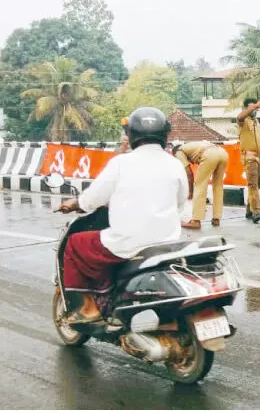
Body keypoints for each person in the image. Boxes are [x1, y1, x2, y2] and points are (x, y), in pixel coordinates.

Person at [57, 107, 188, 323]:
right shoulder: (175, 164)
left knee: (75, 244)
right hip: (167, 242)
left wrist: (75, 203)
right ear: (164, 134)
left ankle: (88, 308)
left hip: (128, 243)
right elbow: (180, 202)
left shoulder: (121, 163)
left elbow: (92, 199)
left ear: (132, 135)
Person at [173, 141, 229, 230]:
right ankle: (216, 218)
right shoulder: (191, 146)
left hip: (209, 154)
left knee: (200, 185)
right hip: (223, 153)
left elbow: (189, 173)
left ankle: (196, 221)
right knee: (218, 186)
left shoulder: (179, 152)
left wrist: (190, 191)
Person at [237, 98, 260, 224]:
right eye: (251, 107)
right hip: (249, 157)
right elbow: (240, 115)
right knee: (253, 185)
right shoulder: (242, 120)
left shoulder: (255, 122)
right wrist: (256, 105)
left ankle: (249, 210)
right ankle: (256, 212)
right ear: (246, 108)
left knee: (258, 184)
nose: (254, 110)